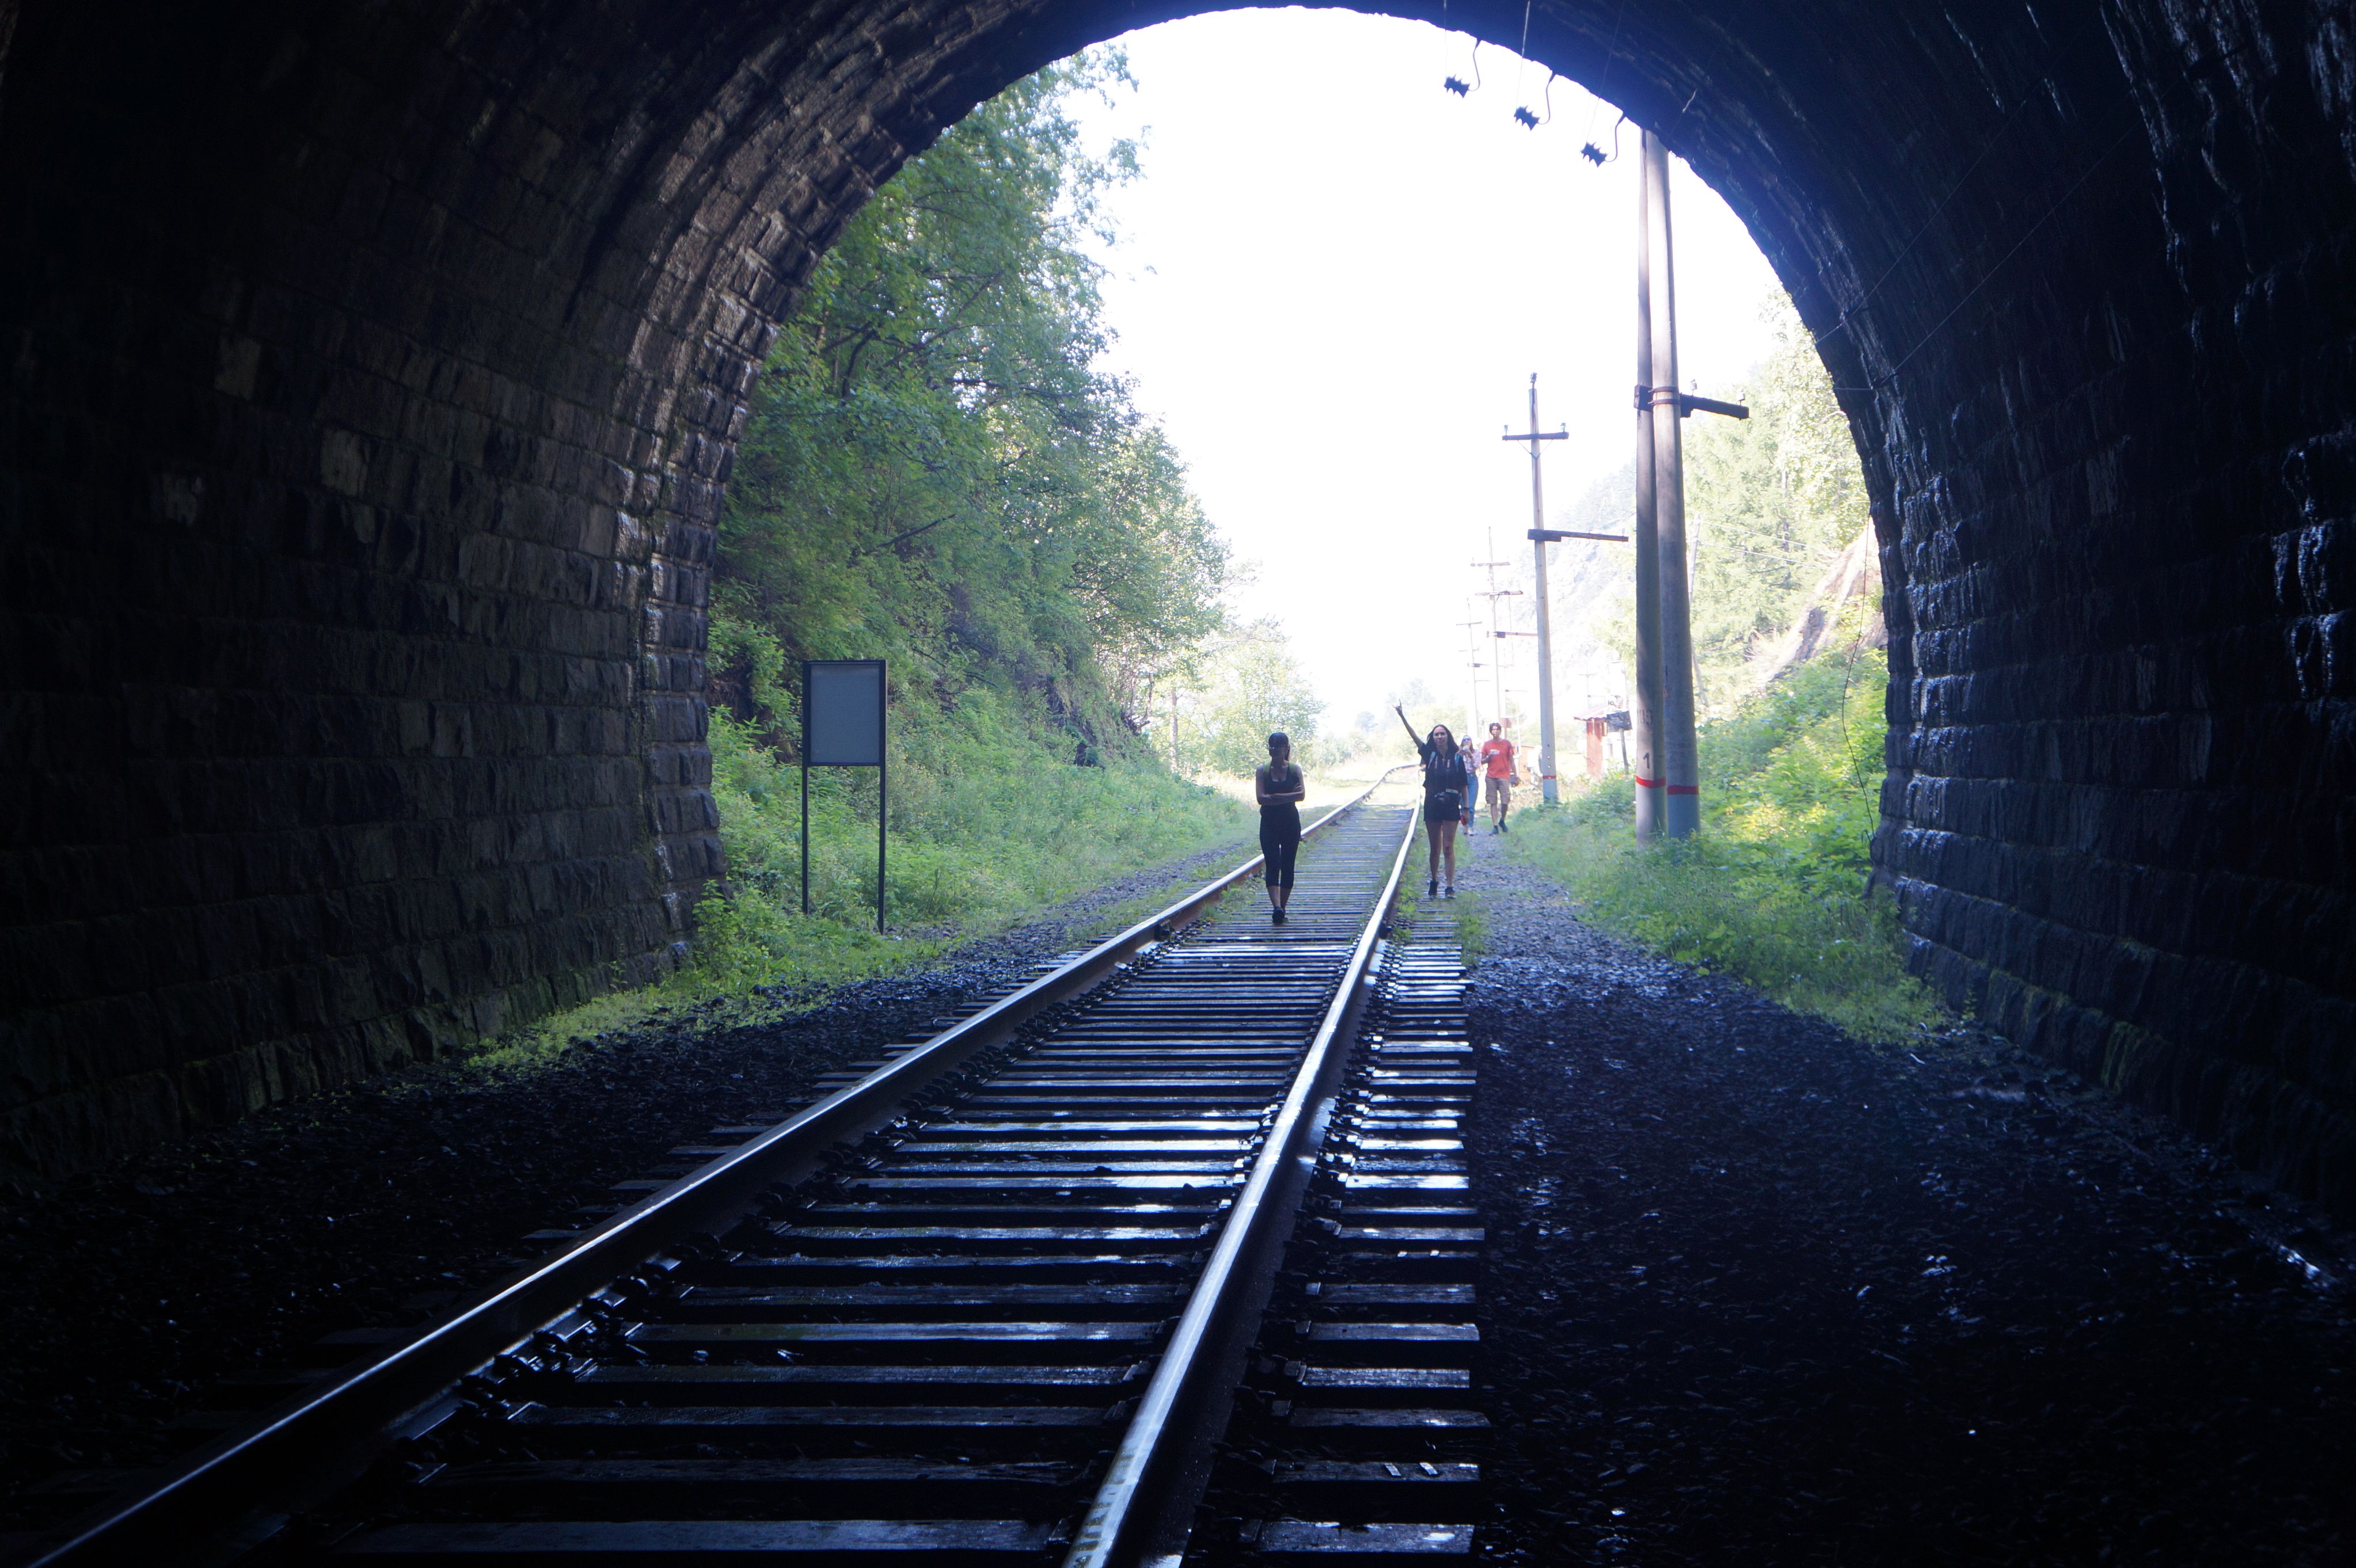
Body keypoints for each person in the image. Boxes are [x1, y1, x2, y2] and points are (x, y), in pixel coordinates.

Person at [1395, 706, 1470, 899]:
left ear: (1448, 736)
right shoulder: (1430, 754)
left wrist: (1466, 808)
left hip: (1451, 805)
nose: (1440, 737)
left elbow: (1463, 785)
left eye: (1442, 734)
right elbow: (1414, 737)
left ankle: (1450, 885)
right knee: (1435, 847)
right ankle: (1435, 880)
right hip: (1433, 805)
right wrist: (1402, 716)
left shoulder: (1457, 758)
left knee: (1448, 846)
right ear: (1433, 737)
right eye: (1437, 734)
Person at [1255, 730, 1306, 926]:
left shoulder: (1295, 770)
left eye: (1278, 746)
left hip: (1291, 824)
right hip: (1269, 824)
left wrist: (1276, 797)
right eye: (1272, 746)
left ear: (1286, 749)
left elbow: (1301, 796)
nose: (1274, 749)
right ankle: (1276, 907)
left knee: (1288, 865)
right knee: (1272, 864)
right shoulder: (1262, 771)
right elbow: (1261, 799)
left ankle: (1282, 908)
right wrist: (1288, 796)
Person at [1478, 721, 1519, 834]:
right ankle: (1495, 826)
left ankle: (1502, 820)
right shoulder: (1487, 745)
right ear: (1491, 732)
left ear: (1500, 731)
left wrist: (1516, 775)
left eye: (1497, 729)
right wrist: (1489, 757)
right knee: (1493, 802)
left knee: (1505, 801)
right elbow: (1482, 761)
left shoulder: (1507, 744)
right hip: (1491, 776)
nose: (1495, 731)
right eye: (1493, 730)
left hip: (1504, 776)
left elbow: (1512, 760)